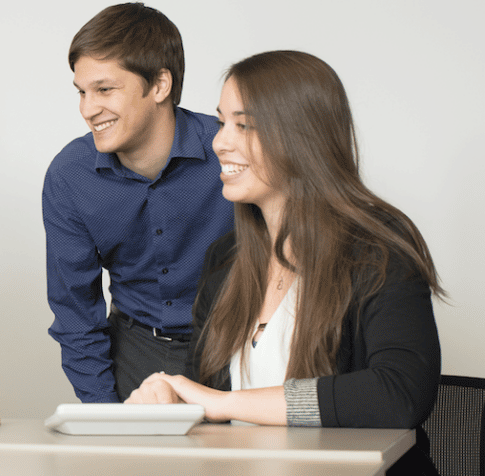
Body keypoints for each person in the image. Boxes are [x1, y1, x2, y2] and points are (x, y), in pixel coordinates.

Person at [126, 51, 442, 472]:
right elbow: (205, 395)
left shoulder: (378, 251)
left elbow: (398, 393)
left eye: (244, 125)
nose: (220, 141)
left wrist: (223, 404)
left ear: (301, 137)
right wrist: (173, 399)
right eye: (222, 122)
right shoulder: (225, 260)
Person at [43, 3, 234, 402]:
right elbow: (75, 312)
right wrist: (105, 416)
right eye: (82, 92)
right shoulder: (69, 177)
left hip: (236, 347)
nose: (87, 109)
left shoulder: (231, 151)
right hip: (136, 351)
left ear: (160, 85)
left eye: (105, 89)